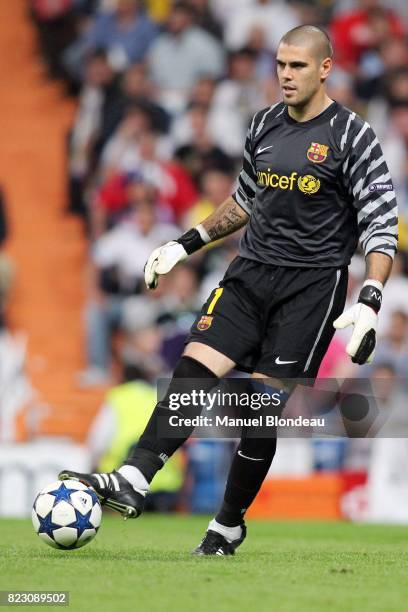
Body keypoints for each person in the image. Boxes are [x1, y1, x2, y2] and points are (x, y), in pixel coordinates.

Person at [60, 25, 398, 555]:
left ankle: (227, 524)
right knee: (193, 370)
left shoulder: (353, 136)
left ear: (326, 68)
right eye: (281, 65)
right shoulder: (262, 124)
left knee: (258, 408)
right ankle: (134, 475)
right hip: (248, 272)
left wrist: (371, 299)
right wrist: (184, 244)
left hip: (312, 287)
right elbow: (244, 202)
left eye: (298, 66)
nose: (285, 75)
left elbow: (381, 223)